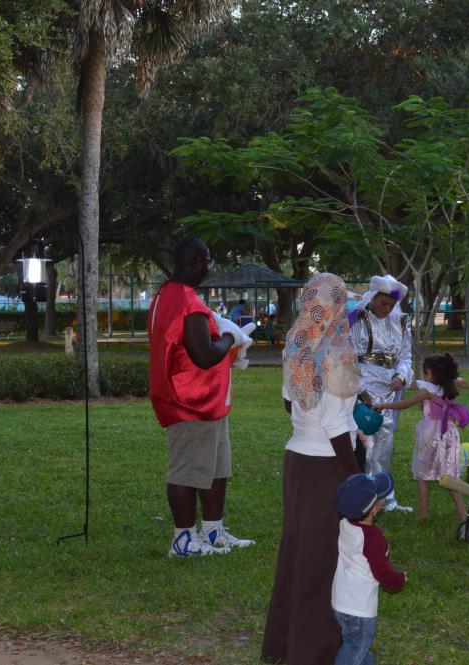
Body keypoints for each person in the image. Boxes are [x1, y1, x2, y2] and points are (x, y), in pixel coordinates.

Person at [261, 273, 363, 665]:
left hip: (297, 461)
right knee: (320, 562)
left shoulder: (296, 343)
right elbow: (335, 425)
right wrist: (356, 479)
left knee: (296, 552)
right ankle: (313, 651)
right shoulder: (338, 350)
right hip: (326, 467)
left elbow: (290, 402)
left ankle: (283, 646)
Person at [148, 238, 255, 558]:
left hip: (208, 400)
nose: (208, 268)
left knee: (217, 467)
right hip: (189, 401)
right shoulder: (186, 301)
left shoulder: (166, 293)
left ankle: (213, 530)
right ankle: (183, 540)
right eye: (207, 261)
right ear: (196, 262)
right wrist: (231, 336)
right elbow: (204, 356)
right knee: (187, 471)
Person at [374, 354, 469, 520]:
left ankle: (424, 513)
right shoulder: (450, 390)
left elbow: (404, 404)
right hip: (449, 432)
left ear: (434, 375)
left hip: (431, 434)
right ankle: (462, 511)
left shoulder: (428, 392)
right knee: (449, 475)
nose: (424, 376)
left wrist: (383, 405)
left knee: (422, 474)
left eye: (426, 373)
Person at [349, 275, 414, 513]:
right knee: (364, 441)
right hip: (363, 387)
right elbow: (346, 358)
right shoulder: (357, 319)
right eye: (383, 303)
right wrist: (361, 390)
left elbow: (405, 355)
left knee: (385, 442)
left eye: (391, 305)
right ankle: (362, 496)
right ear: (373, 298)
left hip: (389, 390)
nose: (387, 309)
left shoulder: (401, 322)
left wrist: (402, 376)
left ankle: (383, 498)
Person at [331, 472, 407, 665]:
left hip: (340, 601)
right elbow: (381, 572)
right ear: (374, 509)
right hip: (359, 609)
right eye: (380, 496)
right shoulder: (372, 538)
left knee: (356, 645)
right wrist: (399, 579)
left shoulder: (345, 524)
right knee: (356, 648)